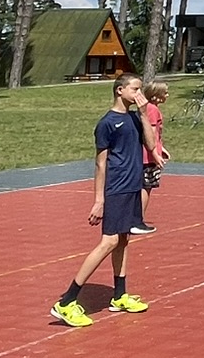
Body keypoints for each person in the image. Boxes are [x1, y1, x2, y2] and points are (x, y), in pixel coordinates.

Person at [51, 72, 152, 328]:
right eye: (135, 89)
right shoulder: (107, 123)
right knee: (109, 242)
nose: (139, 94)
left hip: (132, 187)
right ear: (120, 90)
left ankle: (119, 295)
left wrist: (143, 114)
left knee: (123, 240)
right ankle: (67, 301)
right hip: (115, 189)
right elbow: (100, 163)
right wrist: (99, 200)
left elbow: (151, 145)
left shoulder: (135, 118)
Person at [133, 79, 170, 234]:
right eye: (165, 93)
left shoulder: (147, 108)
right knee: (146, 187)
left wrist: (162, 148)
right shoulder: (152, 110)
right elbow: (151, 133)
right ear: (156, 95)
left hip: (145, 154)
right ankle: (137, 220)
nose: (167, 95)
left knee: (144, 186)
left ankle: (135, 218)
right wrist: (155, 154)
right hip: (147, 157)